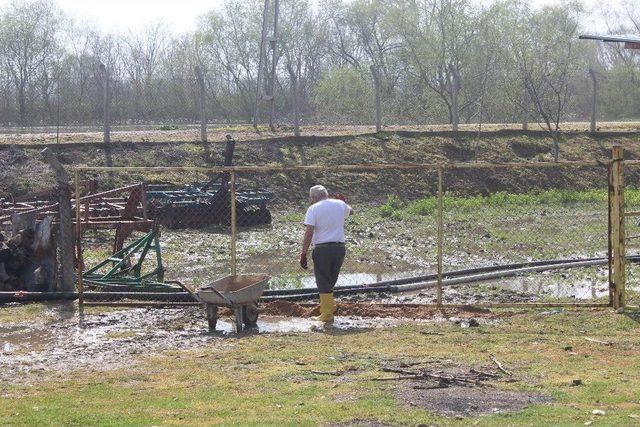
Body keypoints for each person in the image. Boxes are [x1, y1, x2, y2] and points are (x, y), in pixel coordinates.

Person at [299, 185, 353, 324]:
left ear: (313, 197)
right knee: (331, 279)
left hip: (322, 249)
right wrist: (344, 202)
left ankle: (327, 314)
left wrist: (303, 252)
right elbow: (350, 212)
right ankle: (329, 306)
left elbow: (309, 231)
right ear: (326, 194)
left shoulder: (313, 209)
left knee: (323, 280)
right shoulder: (340, 204)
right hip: (339, 248)